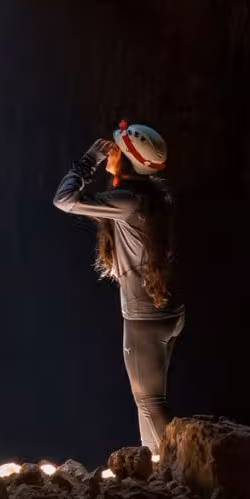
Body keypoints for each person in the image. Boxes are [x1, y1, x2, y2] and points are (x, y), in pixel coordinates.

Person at [52, 121, 182, 454]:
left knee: (149, 401)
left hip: (144, 320)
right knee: (151, 399)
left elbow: (64, 200)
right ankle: (156, 464)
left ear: (128, 161)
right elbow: (121, 209)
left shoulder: (128, 202)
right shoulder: (155, 195)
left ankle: (174, 469)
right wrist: (114, 171)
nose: (112, 154)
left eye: (117, 152)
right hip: (168, 313)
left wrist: (89, 160)